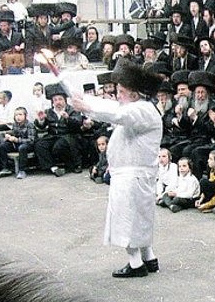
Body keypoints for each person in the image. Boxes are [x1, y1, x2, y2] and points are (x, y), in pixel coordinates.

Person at [69, 61, 164, 279]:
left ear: (134, 94)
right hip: (135, 174)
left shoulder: (141, 111)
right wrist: (84, 99)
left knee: (127, 219)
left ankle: (135, 263)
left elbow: (118, 114)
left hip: (132, 175)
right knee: (141, 217)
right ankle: (149, 257)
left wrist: (87, 108)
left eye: (121, 92)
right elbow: (113, 107)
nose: (117, 95)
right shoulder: (140, 107)